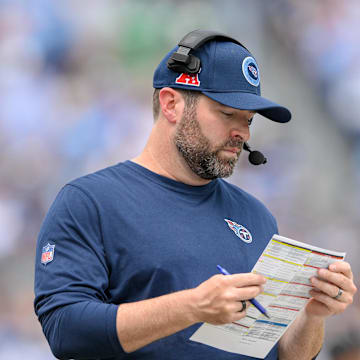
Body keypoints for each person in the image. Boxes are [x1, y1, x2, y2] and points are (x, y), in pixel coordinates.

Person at [34, 30, 357, 360]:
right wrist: (193, 306)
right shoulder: (90, 201)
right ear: (171, 104)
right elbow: (65, 329)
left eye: (248, 120)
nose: (242, 133)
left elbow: (285, 354)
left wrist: (313, 315)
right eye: (227, 113)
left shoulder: (256, 216)